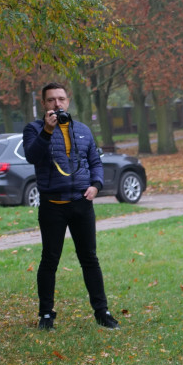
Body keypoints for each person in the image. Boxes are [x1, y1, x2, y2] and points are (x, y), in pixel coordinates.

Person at [23, 82, 119, 331]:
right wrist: (46, 130)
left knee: (90, 259)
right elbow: (32, 156)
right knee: (49, 260)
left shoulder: (83, 130)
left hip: (81, 204)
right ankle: (46, 315)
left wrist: (96, 185)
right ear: (43, 103)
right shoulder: (33, 129)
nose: (57, 104)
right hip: (52, 206)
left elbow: (95, 161)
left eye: (61, 99)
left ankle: (102, 313)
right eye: (52, 100)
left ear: (69, 101)